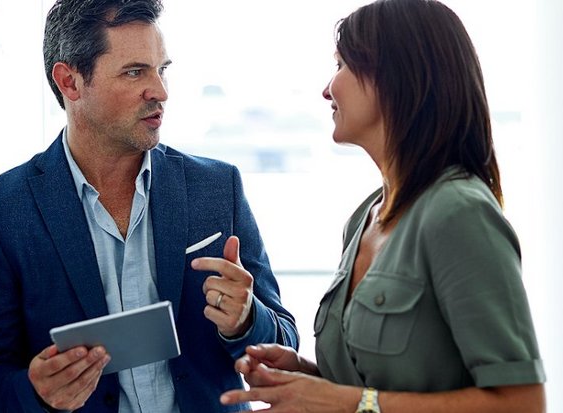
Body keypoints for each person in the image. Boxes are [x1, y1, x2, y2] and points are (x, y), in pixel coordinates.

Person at [0, 0, 299, 412]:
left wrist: (247, 321)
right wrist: (36, 393)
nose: (160, 91)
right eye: (134, 72)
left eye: (162, 69)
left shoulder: (216, 187)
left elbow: (286, 342)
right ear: (70, 82)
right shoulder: (4, 210)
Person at [220, 0, 546, 412]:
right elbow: (372, 389)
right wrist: (305, 378)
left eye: (341, 65)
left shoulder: (458, 213)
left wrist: (345, 401)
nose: (327, 89)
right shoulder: (366, 216)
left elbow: (522, 404)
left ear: (395, 78)